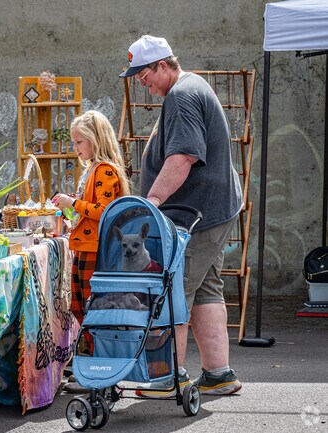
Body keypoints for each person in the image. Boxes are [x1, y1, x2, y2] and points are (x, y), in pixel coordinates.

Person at [119, 35, 243, 397]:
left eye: (144, 75)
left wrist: (151, 201)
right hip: (212, 210)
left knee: (172, 291)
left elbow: (182, 157)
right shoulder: (190, 87)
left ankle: (165, 377)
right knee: (205, 289)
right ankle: (219, 374)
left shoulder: (182, 96)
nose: (141, 83)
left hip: (196, 215)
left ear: (163, 65)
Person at [52, 110, 131, 342]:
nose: (75, 147)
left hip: (96, 248)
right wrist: (69, 207)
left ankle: (100, 355)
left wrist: (73, 203)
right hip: (85, 244)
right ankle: (93, 353)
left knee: (93, 307)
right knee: (80, 305)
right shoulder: (92, 168)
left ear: (95, 140)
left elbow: (104, 211)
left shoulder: (104, 170)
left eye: (79, 142)